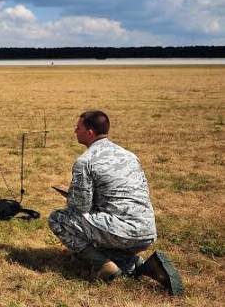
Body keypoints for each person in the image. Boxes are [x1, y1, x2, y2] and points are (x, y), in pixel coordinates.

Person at [49, 111, 182, 294]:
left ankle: (103, 266)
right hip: (147, 231)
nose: (75, 131)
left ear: (89, 133)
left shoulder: (85, 162)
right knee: (101, 236)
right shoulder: (129, 155)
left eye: (78, 128)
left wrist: (71, 196)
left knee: (58, 219)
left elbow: (80, 207)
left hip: (120, 229)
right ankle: (143, 266)